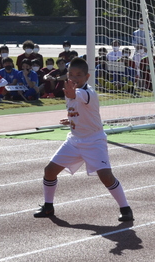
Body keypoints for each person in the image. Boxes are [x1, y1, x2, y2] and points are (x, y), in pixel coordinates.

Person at [33, 57, 133, 222]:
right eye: (71, 74)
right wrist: (72, 120)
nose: (74, 78)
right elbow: (76, 108)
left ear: (87, 77)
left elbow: (79, 96)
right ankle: (48, 206)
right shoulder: (69, 91)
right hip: (74, 140)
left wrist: (72, 93)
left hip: (94, 141)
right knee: (49, 171)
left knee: (106, 176)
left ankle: (126, 209)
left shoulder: (88, 92)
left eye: (79, 75)